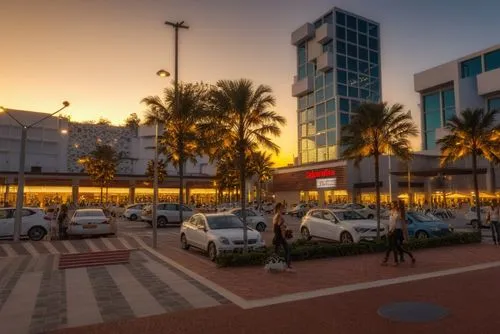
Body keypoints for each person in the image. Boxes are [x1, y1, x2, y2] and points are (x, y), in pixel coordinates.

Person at [273, 202, 293, 271]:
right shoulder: (279, 216)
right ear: (279, 208)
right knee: (287, 250)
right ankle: (287, 266)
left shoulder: (275, 215)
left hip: (277, 236)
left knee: (277, 251)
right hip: (280, 237)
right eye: (282, 208)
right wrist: (284, 236)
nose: (283, 209)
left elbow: (276, 227)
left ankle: (275, 265)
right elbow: (281, 227)